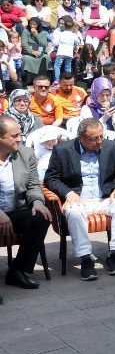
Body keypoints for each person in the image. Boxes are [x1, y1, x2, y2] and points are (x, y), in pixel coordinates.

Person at [44, 118, 115, 280]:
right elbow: (51, 178)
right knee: (74, 212)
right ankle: (86, 259)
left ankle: (114, 254)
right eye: (94, 138)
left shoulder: (111, 146)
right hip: (79, 198)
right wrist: (68, 193)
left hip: (105, 197)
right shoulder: (62, 150)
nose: (99, 141)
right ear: (81, 138)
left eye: (101, 136)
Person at [0, 115, 52, 297]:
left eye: (20, 134)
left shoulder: (25, 154)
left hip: (15, 211)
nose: (19, 139)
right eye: (14, 136)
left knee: (40, 217)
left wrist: (37, 201)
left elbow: (33, 185)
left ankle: (17, 270)